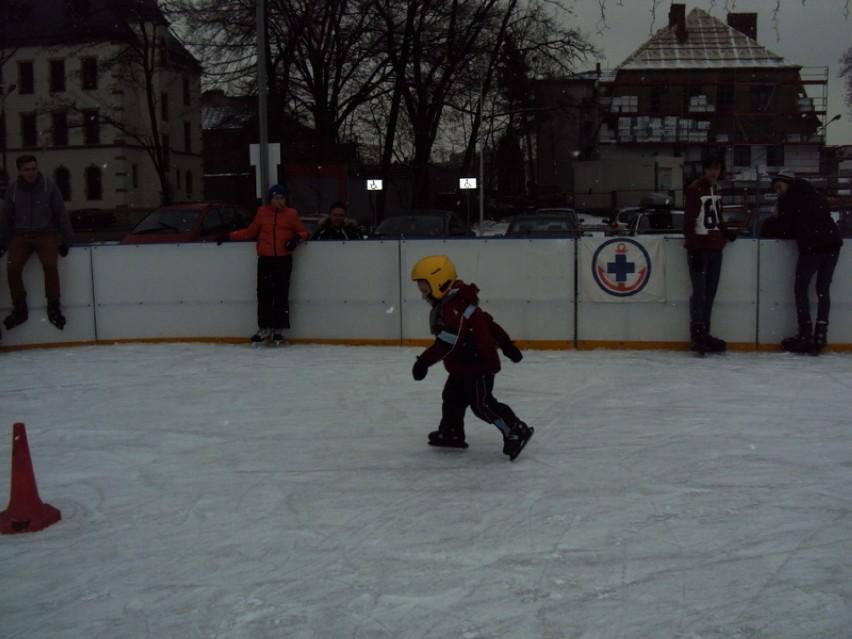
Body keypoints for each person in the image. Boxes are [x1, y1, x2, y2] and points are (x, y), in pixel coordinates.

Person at [409, 255, 532, 460]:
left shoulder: (454, 307)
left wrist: (423, 362)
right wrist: (506, 344)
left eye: (425, 291)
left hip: (478, 365)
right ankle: (451, 432)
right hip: (462, 365)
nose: (423, 297)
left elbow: (448, 342)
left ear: (440, 284)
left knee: (481, 404)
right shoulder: (456, 303)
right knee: (452, 398)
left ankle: (515, 428)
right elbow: (486, 321)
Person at [771, 169, 843, 355]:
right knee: (822, 289)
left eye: (779, 186)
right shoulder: (814, 194)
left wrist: (777, 216)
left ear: (787, 184)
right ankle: (820, 334)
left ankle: (805, 332)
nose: (778, 191)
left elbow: (784, 231)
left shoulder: (787, 199)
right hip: (833, 245)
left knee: (801, 288)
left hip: (813, 247)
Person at [0, 154, 75, 331]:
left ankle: (53, 305)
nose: (31, 173)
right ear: (19, 171)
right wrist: (2, 242)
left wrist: (67, 240)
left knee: (50, 267)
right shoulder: (13, 189)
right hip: (21, 236)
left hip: (45, 234)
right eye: (26, 170)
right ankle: (20, 307)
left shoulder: (49, 187)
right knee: (12, 268)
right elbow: (6, 217)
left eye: (33, 169)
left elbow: (61, 214)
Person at [227, 184, 309, 343]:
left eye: (282, 198)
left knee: (281, 293)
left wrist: (295, 239)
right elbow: (250, 232)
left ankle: (279, 328)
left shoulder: (291, 214)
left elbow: (304, 232)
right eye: (276, 198)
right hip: (265, 259)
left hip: (283, 259)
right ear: (270, 199)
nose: (279, 201)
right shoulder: (262, 213)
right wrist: (229, 236)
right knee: (264, 294)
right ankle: (264, 327)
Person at [683, 154, 737, 355]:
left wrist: (724, 231)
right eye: (710, 168)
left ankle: (704, 331)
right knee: (699, 292)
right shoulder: (696, 190)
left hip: (715, 249)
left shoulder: (715, 190)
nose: (713, 172)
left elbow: (715, 216)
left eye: (717, 168)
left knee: (709, 293)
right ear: (704, 170)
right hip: (700, 249)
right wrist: (694, 248)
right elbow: (689, 223)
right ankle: (697, 334)